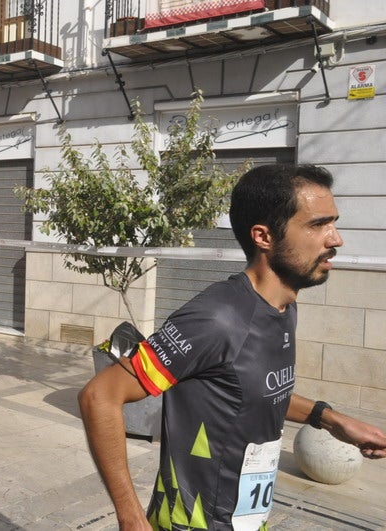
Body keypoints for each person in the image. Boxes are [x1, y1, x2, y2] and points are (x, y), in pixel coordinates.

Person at [78, 164, 386, 531]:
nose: (335, 239)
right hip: (191, 523)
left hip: (247, 520)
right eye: (317, 225)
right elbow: (99, 397)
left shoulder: (283, 308)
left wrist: (330, 419)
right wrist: (130, 516)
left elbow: (250, 392)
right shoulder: (216, 318)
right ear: (264, 236)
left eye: (333, 223)